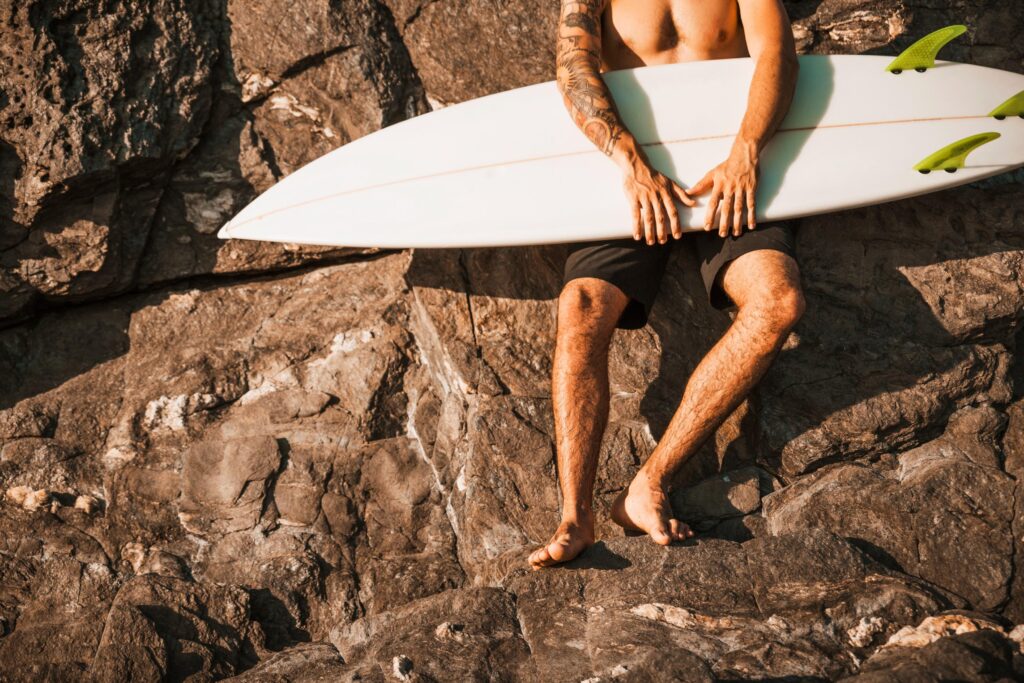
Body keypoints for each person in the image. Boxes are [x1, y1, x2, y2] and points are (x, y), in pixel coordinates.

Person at [529, 0, 805, 569]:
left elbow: (776, 51)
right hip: (634, 173)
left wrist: (747, 152)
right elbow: (573, 66)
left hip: (728, 172)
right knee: (581, 307)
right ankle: (575, 516)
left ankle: (647, 485)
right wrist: (627, 160)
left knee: (777, 300)